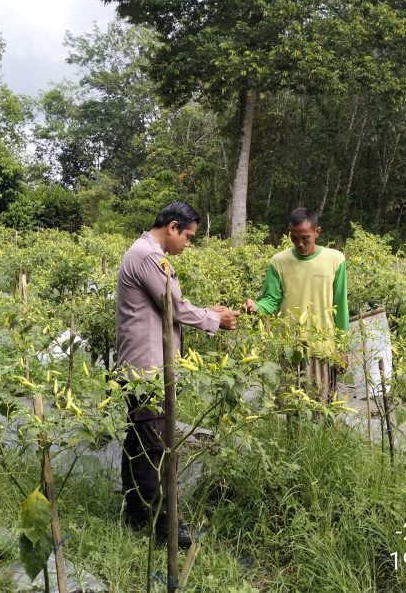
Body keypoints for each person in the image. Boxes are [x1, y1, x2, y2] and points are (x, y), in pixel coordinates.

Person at [115, 201, 239, 547]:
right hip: (148, 371)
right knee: (155, 445)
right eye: (187, 235)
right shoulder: (148, 257)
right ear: (171, 227)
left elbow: (169, 305)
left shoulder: (144, 253)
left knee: (140, 442)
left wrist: (204, 311)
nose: (188, 243)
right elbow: (175, 307)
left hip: (143, 367)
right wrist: (216, 319)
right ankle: (163, 525)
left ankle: (138, 514)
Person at [244, 207, 348, 401]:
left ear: (317, 232)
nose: (300, 243)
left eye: (305, 237)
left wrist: (342, 348)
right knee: (290, 407)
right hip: (289, 347)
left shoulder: (335, 260)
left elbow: (340, 306)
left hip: (322, 347)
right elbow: (271, 299)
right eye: (294, 237)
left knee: (322, 405)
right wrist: (256, 307)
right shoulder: (279, 262)